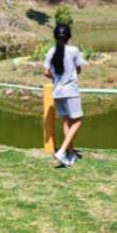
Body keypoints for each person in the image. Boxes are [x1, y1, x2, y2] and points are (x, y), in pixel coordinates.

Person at [44, 23, 86, 167]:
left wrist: (57, 79)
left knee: (67, 121)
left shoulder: (51, 51)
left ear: (55, 36)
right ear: (69, 37)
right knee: (78, 120)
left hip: (57, 92)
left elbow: (46, 72)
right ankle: (62, 151)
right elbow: (78, 69)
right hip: (71, 91)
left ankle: (70, 153)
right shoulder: (74, 50)